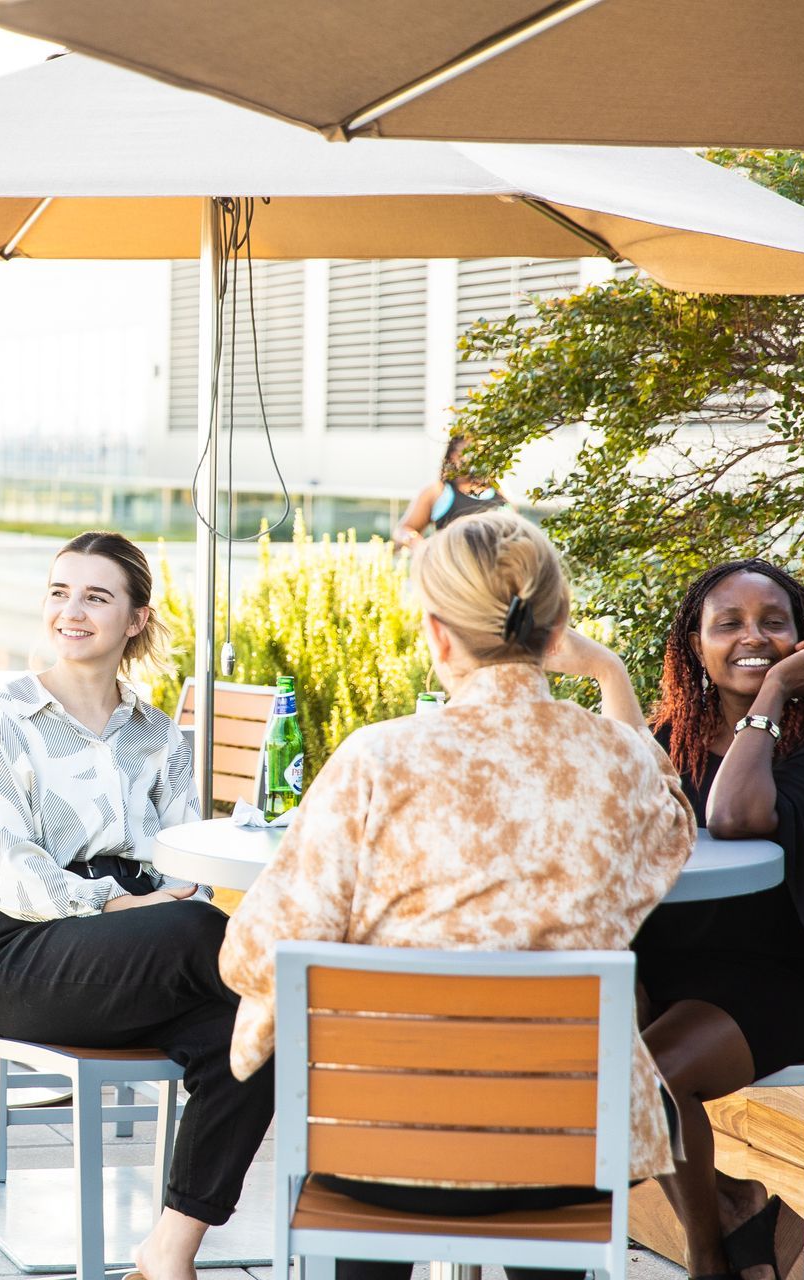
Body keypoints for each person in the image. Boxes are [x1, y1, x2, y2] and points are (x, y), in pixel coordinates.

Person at [220, 510, 696, 1280]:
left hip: (381, 1143)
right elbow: (672, 824)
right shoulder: (621, 764)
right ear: (558, 626)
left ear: (437, 636)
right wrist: (610, 674)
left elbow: (256, 954)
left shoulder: (377, 758)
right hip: (566, 1149)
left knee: (365, 1140)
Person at [0, 529, 267, 1280]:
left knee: (250, 1042)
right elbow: (8, 866)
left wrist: (155, 904)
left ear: (135, 619)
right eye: (60, 592)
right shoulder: (1, 720)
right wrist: (112, 905)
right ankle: (305, 991)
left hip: (145, 949)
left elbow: (182, 856)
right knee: (225, 950)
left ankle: (168, 1252)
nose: (73, 610)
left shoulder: (159, 734)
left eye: (97, 596)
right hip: (25, 956)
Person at [634, 559, 804, 1280]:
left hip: (794, 981)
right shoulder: (665, 742)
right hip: (683, 973)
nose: (754, 638)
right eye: (730, 624)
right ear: (694, 646)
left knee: (641, 1083)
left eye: (775, 624)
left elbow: (737, 815)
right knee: (565, 1058)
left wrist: (770, 696)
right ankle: (742, 1209)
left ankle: (708, 1259)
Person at [390, 433, 507, 550]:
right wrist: (418, 544)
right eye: (467, 452)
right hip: (454, 565)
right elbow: (402, 530)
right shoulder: (438, 491)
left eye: (480, 452)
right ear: (452, 455)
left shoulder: (498, 489)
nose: (473, 458)